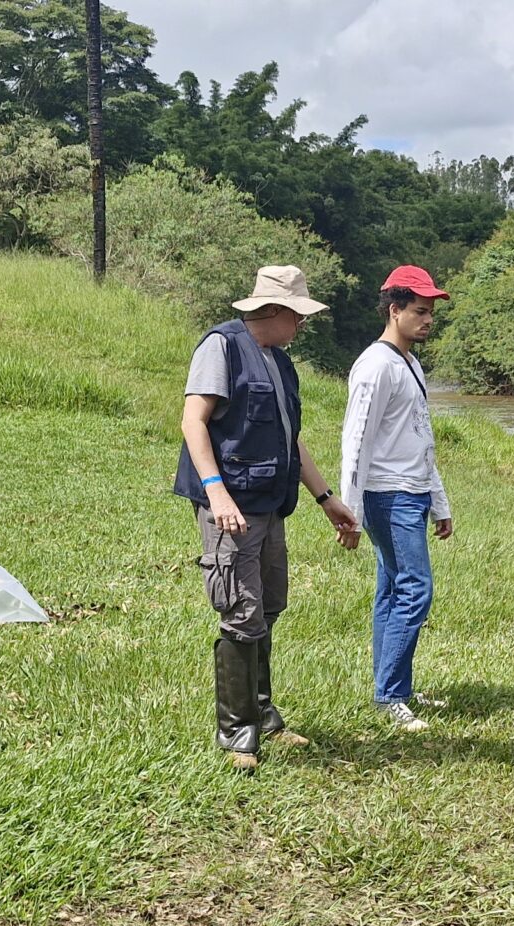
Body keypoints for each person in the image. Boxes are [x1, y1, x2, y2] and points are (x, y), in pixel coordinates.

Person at [174, 264, 361, 772]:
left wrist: (326, 498)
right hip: (231, 506)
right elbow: (194, 420)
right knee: (240, 607)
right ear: (276, 311)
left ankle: (263, 715)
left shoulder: (280, 362)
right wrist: (217, 495)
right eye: (299, 317)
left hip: (269, 503)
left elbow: (288, 437)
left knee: (268, 605)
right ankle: (237, 734)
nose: (302, 327)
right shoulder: (221, 347)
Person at [341, 266, 454, 732]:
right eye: (420, 311)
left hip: (412, 493)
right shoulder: (376, 366)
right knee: (415, 590)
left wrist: (439, 501)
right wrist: (348, 511)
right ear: (395, 310)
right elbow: (357, 439)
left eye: (432, 313)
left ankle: (396, 689)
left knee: (393, 590)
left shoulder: (409, 361)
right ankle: (390, 696)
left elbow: (421, 438)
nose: (428, 320)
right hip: (388, 496)